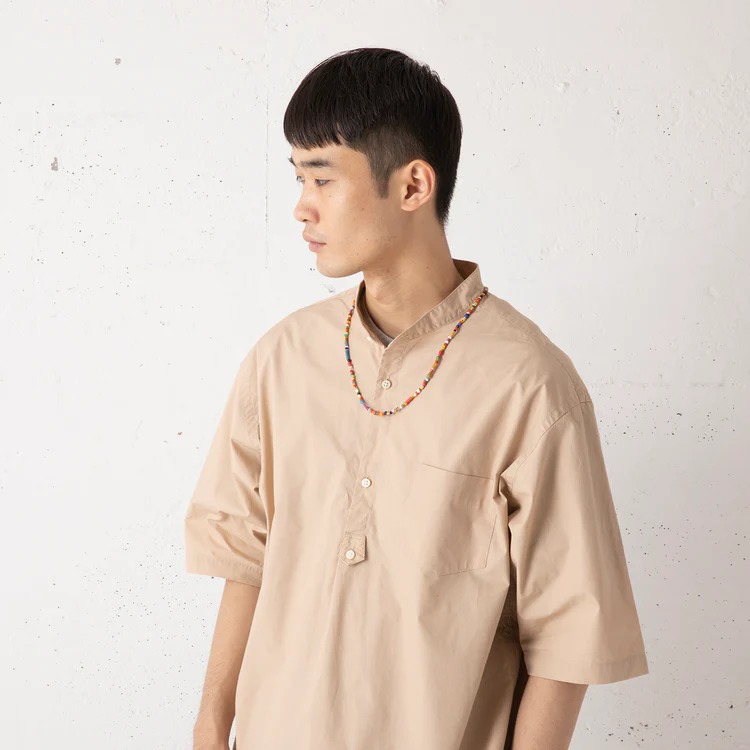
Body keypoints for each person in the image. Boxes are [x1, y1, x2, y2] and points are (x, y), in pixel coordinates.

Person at [184, 47, 649, 750]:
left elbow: (569, 634)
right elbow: (245, 561)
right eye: (298, 177)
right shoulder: (282, 359)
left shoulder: (529, 385)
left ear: (412, 185)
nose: (302, 206)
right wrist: (211, 726)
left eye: (322, 177)